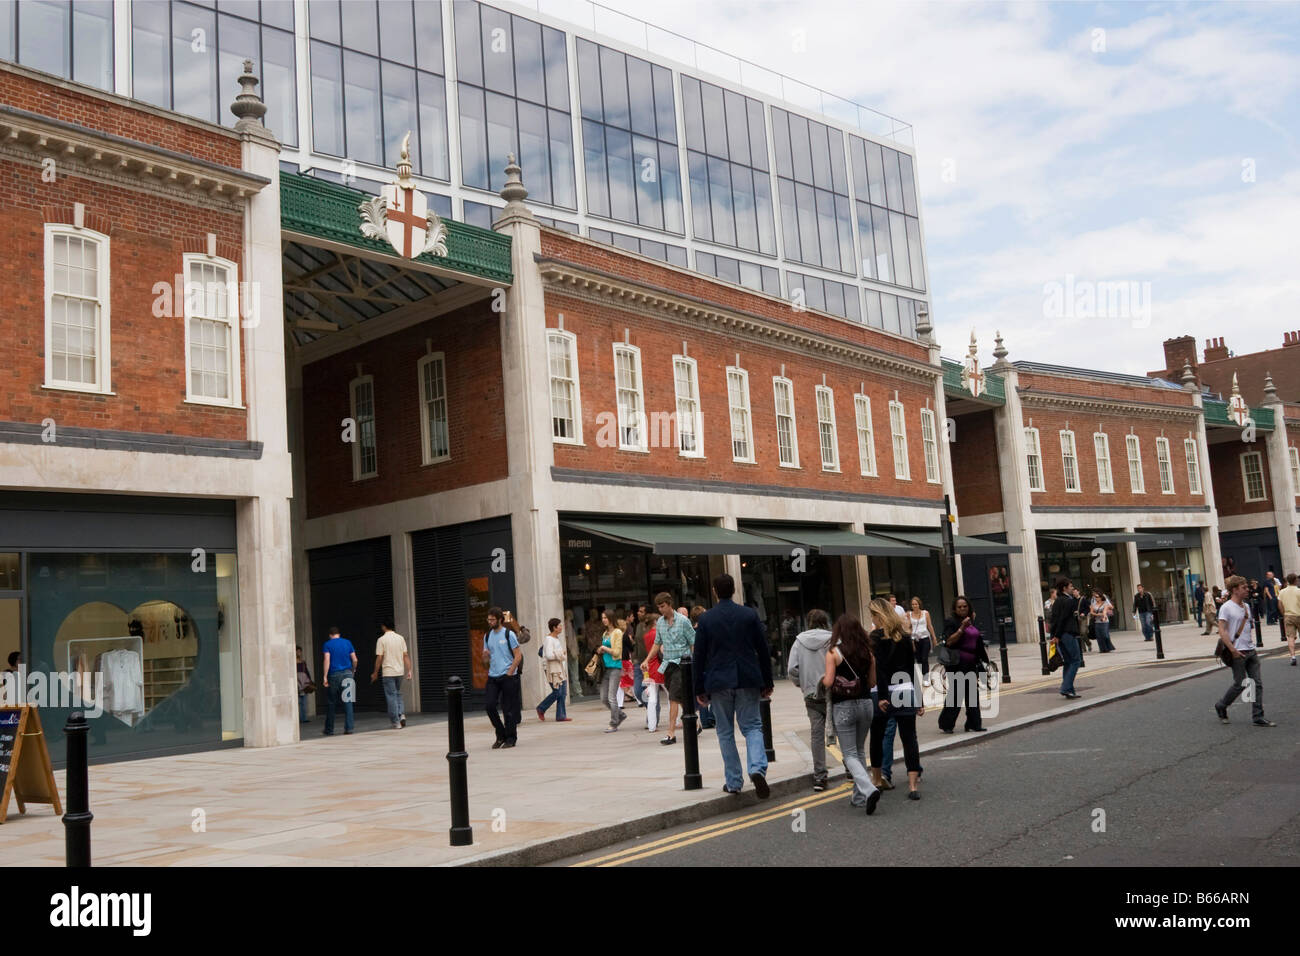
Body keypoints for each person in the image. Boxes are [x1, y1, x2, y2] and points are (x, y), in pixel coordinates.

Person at [695, 574, 773, 798]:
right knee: (752, 727)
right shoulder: (749, 614)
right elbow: (763, 649)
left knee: (725, 732)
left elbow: (698, 656)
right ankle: (757, 768)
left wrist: (699, 688)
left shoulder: (707, 619)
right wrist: (767, 681)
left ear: (714, 591)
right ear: (735, 589)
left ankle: (734, 782)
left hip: (719, 682)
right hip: (747, 679)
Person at [821, 613, 881, 815]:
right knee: (859, 751)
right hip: (866, 704)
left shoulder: (833, 653)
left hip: (843, 706)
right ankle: (859, 796)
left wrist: (821, 681)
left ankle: (869, 789)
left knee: (849, 754)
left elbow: (829, 682)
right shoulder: (868, 653)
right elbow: (872, 683)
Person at [868, 598, 923, 800]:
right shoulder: (905, 637)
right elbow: (911, 668)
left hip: (884, 692)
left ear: (877, 615)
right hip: (906, 689)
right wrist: (918, 699)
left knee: (878, 736)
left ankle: (877, 781)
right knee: (910, 738)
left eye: (872, 614)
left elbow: (879, 669)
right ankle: (912, 786)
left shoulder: (875, 637)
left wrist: (882, 696)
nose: (871, 618)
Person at [1214, 575, 1274, 726]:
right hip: (1237, 652)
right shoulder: (1226, 607)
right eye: (1244, 588)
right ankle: (1221, 705)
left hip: (1250, 650)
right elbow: (1222, 630)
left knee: (1257, 683)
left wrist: (1252, 645)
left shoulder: (1246, 606)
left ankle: (1258, 716)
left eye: (1247, 587)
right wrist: (1233, 650)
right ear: (1235, 590)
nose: (1247, 590)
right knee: (1240, 684)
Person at [787, 608, 833, 791]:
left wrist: (803, 684)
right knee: (841, 731)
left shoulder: (799, 641)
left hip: (811, 694)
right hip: (832, 692)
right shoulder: (833, 639)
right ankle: (850, 769)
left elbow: (792, 669)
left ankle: (820, 776)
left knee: (816, 734)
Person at [937, 596, 990, 729]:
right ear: (955, 609)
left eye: (965, 606)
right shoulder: (951, 622)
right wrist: (962, 628)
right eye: (959, 607)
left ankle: (974, 724)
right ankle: (946, 723)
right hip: (956, 663)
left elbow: (977, 642)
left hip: (971, 663)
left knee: (972, 693)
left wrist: (984, 660)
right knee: (956, 694)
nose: (962, 609)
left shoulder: (971, 621)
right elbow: (949, 641)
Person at [651, 594, 695, 744]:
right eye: (658, 607)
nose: (660, 609)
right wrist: (646, 659)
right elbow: (657, 643)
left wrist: (694, 663)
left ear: (670, 604)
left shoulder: (683, 621)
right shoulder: (660, 623)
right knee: (678, 696)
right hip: (668, 664)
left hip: (682, 664)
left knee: (673, 698)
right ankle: (696, 723)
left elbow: (693, 642)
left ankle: (671, 733)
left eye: (662, 606)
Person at [482, 607, 522, 748]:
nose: (490, 622)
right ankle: (501, 733)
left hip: (508, 675)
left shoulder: (508, 634)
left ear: (500, 619)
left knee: (508, 709)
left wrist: (510, 672)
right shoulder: (487, 636)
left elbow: (518, 655)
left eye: (492, 619)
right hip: (493, 676)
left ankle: (511, 738)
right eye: (489, 619)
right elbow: (485, 663)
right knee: (489, 705)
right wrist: (485, 657)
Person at [370, 621, 411, 730]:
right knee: (398, 694)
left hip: (388, 672)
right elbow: (405, 655)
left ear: (384, 626)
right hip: (400, 671)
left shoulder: (381, 640)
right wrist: (409, 670)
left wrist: (375, 672)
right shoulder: (400, 638)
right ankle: (401, 714)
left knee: (391, 696)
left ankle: (396, 721)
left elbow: (379, 658)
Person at [321, 627, 358, 736]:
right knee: (348, 702)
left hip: (334, 675)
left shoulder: (327, 644)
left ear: (330, 635)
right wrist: (353, 670)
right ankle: (349, 728)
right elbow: (355, 659)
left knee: (331, 702)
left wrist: (325, 676)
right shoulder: (348, 642)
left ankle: (329, 729)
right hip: (348, 674)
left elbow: (327, 660)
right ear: (339, 634)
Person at [1049, 578, 1082, 699]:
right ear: (1064, 588)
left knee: (1068, 662)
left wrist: (1054, 636)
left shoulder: (1057, 601)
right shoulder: (1068, 601)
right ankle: (1065, 688)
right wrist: (1056, 636)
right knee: (1076, 660)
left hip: (1061, 635)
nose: (1072, 588)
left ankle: (1070, 690)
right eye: (1070, 586)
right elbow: (1062, 619)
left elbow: (1054, 620)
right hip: (1068, 634)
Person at [536, 617, 572, 722]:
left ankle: (561, 716)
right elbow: (549, 655)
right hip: (552, 669)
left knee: (563, 692)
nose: (561, 627)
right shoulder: (549, 639)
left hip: (560, 668)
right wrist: (561, 653)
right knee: (557, 692)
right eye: (559, 626)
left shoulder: (556, 639)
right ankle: (541, 708)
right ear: (554, 628)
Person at [598, 610, 626, 733]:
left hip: (615, 666)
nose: (603, 620)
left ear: (611, 618)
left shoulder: (617, 632)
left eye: (605, 617)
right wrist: (601, 650)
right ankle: (620, 714)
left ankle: (614, 723)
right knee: (604, 698)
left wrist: (605, 648)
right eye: (602, 618)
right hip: (605, 668)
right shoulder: (605, 633)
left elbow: (617, 652)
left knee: (611, 697)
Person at [690, 605, 715, 730]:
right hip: (708, 663)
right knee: (714, 691)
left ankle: (705, 720)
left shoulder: (692, 631)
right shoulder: (706, 630)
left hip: (699, 665)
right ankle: (710, 717)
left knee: (703, 692)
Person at [501, 610, 529, 726]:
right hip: (508, 667)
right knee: (511, 694)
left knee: (512, 694)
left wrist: (521, 629)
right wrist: (521, 629)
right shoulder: (507, 634)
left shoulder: (510, 634)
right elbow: (526, 637)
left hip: (513, 667)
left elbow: (525, 638)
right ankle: (513, 717)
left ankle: (514, 717)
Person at [641, 617, 663, 732]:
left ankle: (651, 726)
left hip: (650, 667)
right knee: (672, 696)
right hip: (660, 666)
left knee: (652, 699)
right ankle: (678, 721)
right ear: (655, 622)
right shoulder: (658, 634)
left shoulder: (646, 635)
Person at [908, 597, 935, 687]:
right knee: (919, 659)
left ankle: (925, 678)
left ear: (919, 604)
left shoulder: (925, 613)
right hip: (915, 639)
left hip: (925, 638)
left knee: (924, 658)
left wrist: (934, 637)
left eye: (916, 604)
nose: (914, 606)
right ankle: (924, 675)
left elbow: (930, 625)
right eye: (913, 604)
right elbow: (909, 628)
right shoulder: (909, 614)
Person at [1274, 572, 1299, 665]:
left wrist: (1284, 613)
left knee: (1290, 637)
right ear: (1296, 580)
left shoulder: (1282, 591)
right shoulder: (1298, 591)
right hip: (1298, 615)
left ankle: (1292, 657)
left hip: (1288, 616)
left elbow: (1279, 604)